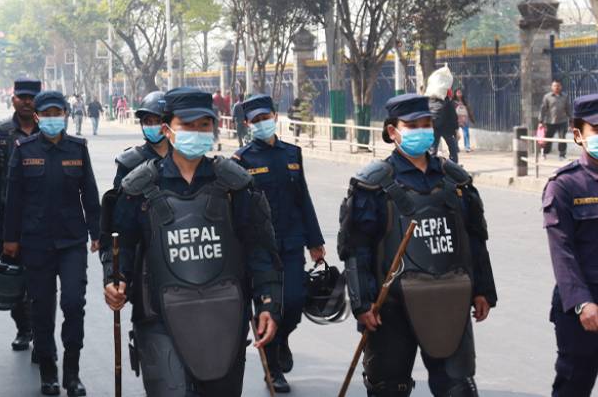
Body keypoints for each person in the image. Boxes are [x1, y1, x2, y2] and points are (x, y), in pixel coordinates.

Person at [103, 87, 283, 396]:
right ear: (167, 129)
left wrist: (268, 302)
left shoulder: (235, 185)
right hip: (158, 317)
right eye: (187, 125)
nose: (197, 132)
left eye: (204, 124)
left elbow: (260, 248)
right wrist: (115, 278)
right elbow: (121, 244)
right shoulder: (139, 188)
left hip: (225, 316)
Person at [338, 93, 497, 396]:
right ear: (392, 131)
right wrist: (362, 303)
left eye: (426, 124)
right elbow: (356, 248)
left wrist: (483, 290)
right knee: (388, 388)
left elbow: (475, 239)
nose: (421, 131)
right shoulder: (373, 185)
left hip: (449, 301)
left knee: (458, 388)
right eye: (412, 125)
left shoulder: (455, 181)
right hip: (391, 308)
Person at [3, 90, 100, 396]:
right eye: (46, 114)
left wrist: (97, 232)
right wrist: (10, 238)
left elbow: (90, 193)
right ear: (37, 117)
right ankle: (48, 371)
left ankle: (72, 373)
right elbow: (13, 198)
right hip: (36, 242)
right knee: (42, 309)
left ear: (66, 115)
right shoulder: (24, 149)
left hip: (72, 241)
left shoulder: (78, 148)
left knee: (73, 303)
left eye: (57, 113)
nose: (52, 119)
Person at [232, 94, 324, 392]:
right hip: (259, 249)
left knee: (294, 303)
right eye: (256, 120)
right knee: (269, 307)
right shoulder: (241, 160)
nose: (262, 123)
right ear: (248, 124)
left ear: (275, 115)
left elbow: (303, 198)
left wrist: (315, 240)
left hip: (292, 241)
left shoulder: (292, 154)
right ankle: (273, 370)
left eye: (266, 117)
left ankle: (281, 338)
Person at [0, 77, 41, 352]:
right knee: (14, 276)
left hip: (44, 219)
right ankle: (24, 328)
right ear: (13, 99)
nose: (26, 102)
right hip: (10, 219)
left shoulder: (51, 130)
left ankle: (42, 331)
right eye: (22, 97)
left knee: (42, 279)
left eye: (31, 97)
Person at [543, 93, 598, 396]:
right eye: (596, 129)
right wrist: (582, 302)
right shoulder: (564, 185)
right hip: (582, 306)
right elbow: (562, 252)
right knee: (575, 383)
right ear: (578, 134)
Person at [111, 91, 170, 189]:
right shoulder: (129, 161)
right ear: (141, 124)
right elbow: (117, 196)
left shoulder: (183, 159)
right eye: (148, 122)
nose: (153, 126)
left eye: (158, 121)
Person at [540, 80, 573, 160]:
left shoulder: (565, 96)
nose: (556, 87)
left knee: (562, 138)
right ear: (552, 87)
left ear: (561, 87)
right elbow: (543, 109)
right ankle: (545, 152)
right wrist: (540, 121)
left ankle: (562, 155)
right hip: (550, 121)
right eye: (555, 86)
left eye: (558, 86)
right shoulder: (547, 97)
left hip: (562, 121)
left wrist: (571, 120)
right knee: (548, 138)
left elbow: (568, 109)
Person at [429, 89, 460, 163]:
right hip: (447, 128)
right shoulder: (448, 103)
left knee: (433, 147)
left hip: (435, 127)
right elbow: (454, 117)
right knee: (452, 146)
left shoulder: (432, 102)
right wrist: (456, 129)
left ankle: (431, 163)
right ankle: (453, 162)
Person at [454, 89, 475, 153]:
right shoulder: (453, 102)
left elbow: (469, 110)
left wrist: (472, 119)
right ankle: (456, 147)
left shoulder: (464, 101)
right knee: (456, 134)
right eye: (458, 92)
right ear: (455, 94)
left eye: (460, 92)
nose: (459, 94)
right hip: (456, 120)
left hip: (464, 120)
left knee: (466, 134)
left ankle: (467, 147)